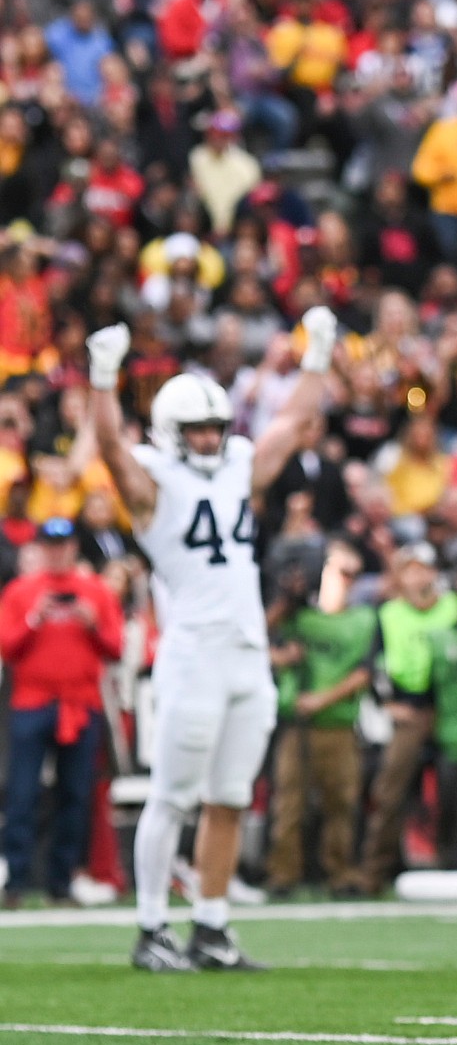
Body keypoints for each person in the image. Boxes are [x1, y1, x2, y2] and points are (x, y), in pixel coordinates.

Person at [88, 311, 333, 971]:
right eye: (195, 427)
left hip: (246, 654)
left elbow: (292, 422)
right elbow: (109, 445)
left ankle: (213, 926)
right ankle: (150, 927)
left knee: (230, 797)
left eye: (214, 426)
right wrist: (104, 376)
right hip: (194, 652)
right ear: (170, 430)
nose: (207, 437)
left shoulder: (237, 466)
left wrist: (318, 355)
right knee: (173, 795)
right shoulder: (151, 479)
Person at [0, 517, 123, 906]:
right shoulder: (21, 591)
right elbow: (7, 646)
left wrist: (92, 624)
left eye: (63, 545)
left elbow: (116, 647)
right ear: (40, 548)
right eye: (50, 545)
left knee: (75, 795)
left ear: (73, 547)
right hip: (32, 703)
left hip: (80, 704)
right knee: (21, 793)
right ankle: (15, 880)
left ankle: (61, 881)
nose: (57, 552)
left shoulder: (95, 591)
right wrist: (34, 618)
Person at [265, 538, 376, 897]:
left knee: (341, 803)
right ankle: (283, 874)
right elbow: (255, 637)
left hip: (339, 724)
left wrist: (321, 700)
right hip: (297, 725)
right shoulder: (297, 615)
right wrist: (288, 601)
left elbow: (364, 673)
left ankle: (340, 873)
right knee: (289, 803)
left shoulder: (363, 619)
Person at [360, 544, 457, 894]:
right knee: (389, 793)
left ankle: (452, 868)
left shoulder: (454, 607)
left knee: (454, 792)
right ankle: (375, 873)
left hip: (449, 710)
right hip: (408, 711)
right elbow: (374, 664)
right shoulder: (389, 613)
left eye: (423, 569)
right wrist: (388, 704)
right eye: (410, 570)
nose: (418, 577)